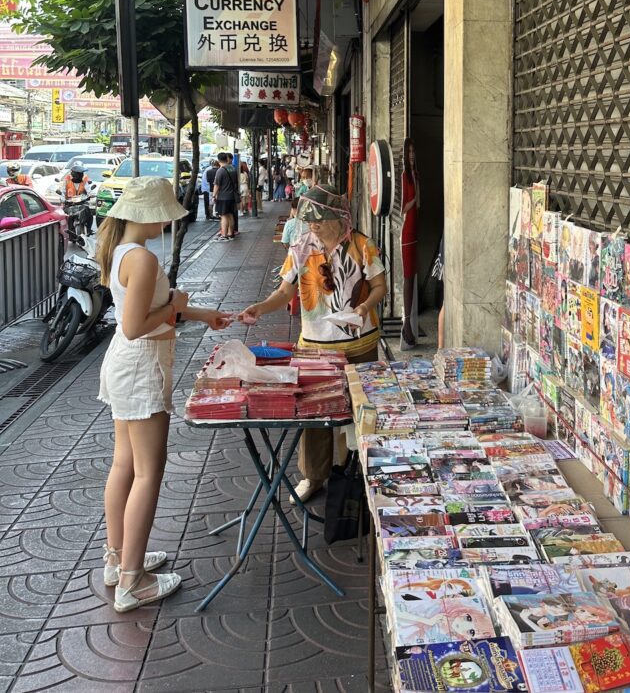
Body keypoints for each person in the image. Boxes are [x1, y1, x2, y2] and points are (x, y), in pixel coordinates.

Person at [95, 177, 232, 611]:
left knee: (125, 465)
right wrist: (175, 307)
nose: (168, 223)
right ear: (149, 215)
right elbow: (136, 325)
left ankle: (118, 559)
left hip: (129, 365)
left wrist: (199, 313)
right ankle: (132, 581)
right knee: (148, 472)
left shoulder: (123, 251)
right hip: (142, 366)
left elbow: (149, 309)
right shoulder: (143, 258)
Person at [239, 185, 387, 503]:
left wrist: (364, 307)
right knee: (314, 413)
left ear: (337, 217)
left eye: (319, 220)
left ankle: (359, 473)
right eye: (310, 220)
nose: (314, 226)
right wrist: (261, 307)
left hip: (360, 345)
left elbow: (379, 286)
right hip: (315, 347)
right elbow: (284, 292)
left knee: (362, 411)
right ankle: (313, 476)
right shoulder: (301, 248)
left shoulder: (362, 245)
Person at [400, 139, 420, 350]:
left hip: (416, 228)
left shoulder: (415, 175)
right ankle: (406, 325)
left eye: (414, 152)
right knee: (407, 276)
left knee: (413, 276)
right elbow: (402, 207)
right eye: (409, 152)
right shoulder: (405, 176)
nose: (412, 155)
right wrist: (414, 200)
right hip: (406, 230)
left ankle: (410, 326)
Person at [212, 151, 236, 241]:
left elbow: (217, 185)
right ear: (227, 159)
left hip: (223, 197)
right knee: (230, 214)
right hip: (231, 196)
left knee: (224, 216)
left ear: (218, 160)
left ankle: (224, 235)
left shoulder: (221, 170)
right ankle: (230, 233)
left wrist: (214, 196)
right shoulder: (232, 168)